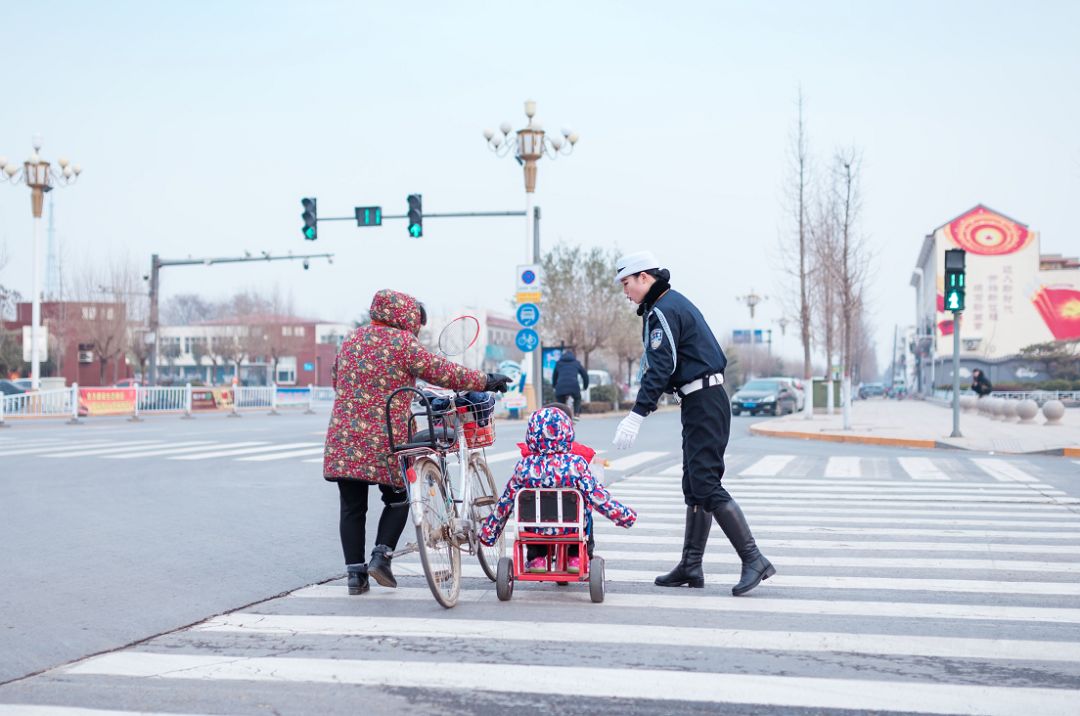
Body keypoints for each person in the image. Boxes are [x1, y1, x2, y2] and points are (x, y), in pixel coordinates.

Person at [323, 289, 511, 595]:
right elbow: (441, 371)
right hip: (386, 435)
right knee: (398, 497)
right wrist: (485, 380)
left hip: (343, 437)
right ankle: (381, 557)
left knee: (352, 507)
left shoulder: (351, 339)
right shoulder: (402, 343)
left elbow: (335, 380)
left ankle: (355, 576)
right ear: (407, 317)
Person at [611, 251, 775, 596]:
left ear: (644, 278)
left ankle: (754, 559)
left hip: (705, 401)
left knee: (706, 483)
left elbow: (660, 367)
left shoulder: (663, 310)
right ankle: (691, 564)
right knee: (694, 484)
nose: (626, 292)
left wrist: (637, 414)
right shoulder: (668, 305)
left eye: (627, 284)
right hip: (700, 401)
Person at [479, 406, 636, 573]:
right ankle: (574, 558)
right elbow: (598, 497)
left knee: (529, 509)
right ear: (567, 433)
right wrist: (624, 516)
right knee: (584, 510)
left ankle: (537, 559)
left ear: (531, 435)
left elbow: (505, 503)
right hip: (570, 528)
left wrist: (489, 533)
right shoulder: (576, 465)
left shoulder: (524, 467)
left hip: (535, 529)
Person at [551, 349, 588, 418]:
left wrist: (554, 386)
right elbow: (584, 375)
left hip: (561, 387)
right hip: (574, 386)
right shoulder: (576, 363)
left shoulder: (559, 363)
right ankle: (576, 413)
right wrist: (585, 386)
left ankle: (561, 415)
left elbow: (554, 376)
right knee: (577, 399)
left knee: (560, 403)